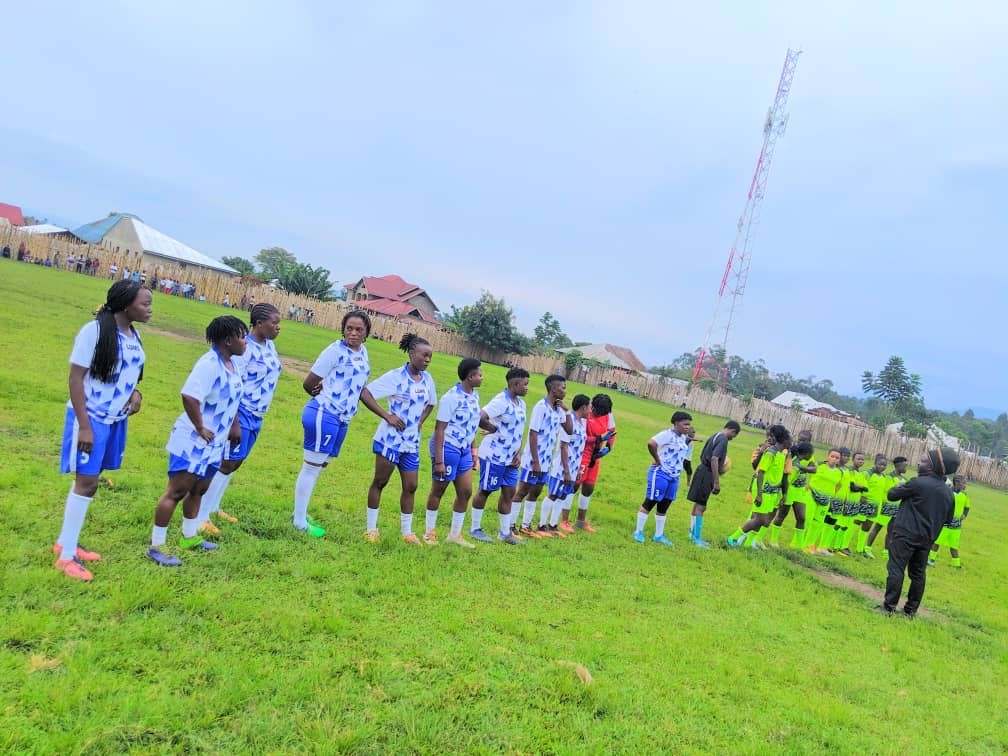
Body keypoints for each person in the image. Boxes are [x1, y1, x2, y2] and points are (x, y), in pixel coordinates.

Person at [54, 281, 152, 581]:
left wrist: (136, 394)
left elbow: (126, 374)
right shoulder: (94, 331)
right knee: (86, 483)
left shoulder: (133, 335)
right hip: (90, 418)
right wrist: (84, 426)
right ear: (125, 305)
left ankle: (66, 542)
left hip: (114, 419)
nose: (150, 310)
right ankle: (66, 557)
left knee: (91, 481)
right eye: (145, 304)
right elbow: (75, 379)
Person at [147, 316, 247, 566]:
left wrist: (234, 426)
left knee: (199, 489)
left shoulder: (232, 364)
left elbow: (233, 399)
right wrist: (200, 427)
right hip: (193, 441)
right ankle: (156, 546)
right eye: (242, 336)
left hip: (215, 442)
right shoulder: (209, 365)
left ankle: (189, 537)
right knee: (176, 491)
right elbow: (189, 396)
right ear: (228, 340)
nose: (246, 342)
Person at [196, 304, 283, 535]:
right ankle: (201, 516)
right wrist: (234, 422)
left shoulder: (270, 345)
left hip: (257, 413)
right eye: (274, 323)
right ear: (259, 323)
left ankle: (214, 507)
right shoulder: (245, 350)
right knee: (226, 462)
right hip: (241, 410)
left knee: (236, 462)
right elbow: (235, 385)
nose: (278, 327)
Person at [294, 310, 372, 537]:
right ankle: (299, 522)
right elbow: (309, 383)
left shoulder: (363, 352)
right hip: (324, 413)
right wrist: (323, 395)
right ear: (343, 330)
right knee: (311, 467)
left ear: (366, 333)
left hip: (342, 418)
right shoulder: (334, 351)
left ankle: (300, 512)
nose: (353, 333)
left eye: (359, 330)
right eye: (349, 328)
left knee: (321, 465)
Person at [359, 334, 437, 544]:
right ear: (411, 354)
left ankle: (407, 532)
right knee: (380, 482)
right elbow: (365, 393)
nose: (427, 360)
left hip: (411, 444)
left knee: (411, 486)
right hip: (390, 440)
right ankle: (371, 529)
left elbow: (431, 403)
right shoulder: (396, 377)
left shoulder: (427, 379)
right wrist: (387, 416)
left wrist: (420, 422)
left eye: (430, 357)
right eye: (424, 355)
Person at [876, 448, 958, 617]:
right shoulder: (949, 493)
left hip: (905, 533)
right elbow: (948, 520)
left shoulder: (917, 483)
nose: (919, 463)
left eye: (924, 460)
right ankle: (910, 610)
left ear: (934, 465)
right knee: (918, 574)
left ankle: (889, 606)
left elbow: (892, 495)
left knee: (896, 568)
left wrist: (898, 487)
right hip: (927, 539)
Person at [424, 358, 485, 547]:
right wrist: (439, 461)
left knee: (465, 492)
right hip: (447, 447)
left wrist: (473, 451)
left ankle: (455, 535)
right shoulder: (451, 398)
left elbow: (472, 425)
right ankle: (429, 533)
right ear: (470, 377)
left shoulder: (475, 396)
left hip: (464, 449)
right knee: (438, 490)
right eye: (480, 375)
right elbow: (439, 430)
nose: (482, 378)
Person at [469, 367, 530, 545]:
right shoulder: (501, 401)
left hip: (511, 458)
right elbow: (480, 416)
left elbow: (519, 430)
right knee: (486, 490)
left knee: (509, 492)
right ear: (515, 384)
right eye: (525, 384)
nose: (527, 388)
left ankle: (504, 533)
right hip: (494, 455)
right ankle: (475, 528)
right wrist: (492, 428)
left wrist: (518, 452)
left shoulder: (521, 404)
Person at [514, 374, 573, 538]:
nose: (565, 391)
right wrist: (535, 462)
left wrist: (567, 410)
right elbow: (533, 434)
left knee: (535, 493)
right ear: (553, 388)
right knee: (522, 491)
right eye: (563, 387)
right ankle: (510, 526)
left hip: (546, 460)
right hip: (534, 460)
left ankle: (525, 526)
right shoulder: (541, 407)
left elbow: (569, 430)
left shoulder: (558, 409)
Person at [633, 411, 694, 545]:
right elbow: (651, 443)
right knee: (650, 501)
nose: (688, 427)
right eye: (685, 424)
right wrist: (657, 459)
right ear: (676, 423)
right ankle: (638, 531)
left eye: (689, 425)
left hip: (674, 476)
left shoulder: (683, 438)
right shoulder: (667, 434)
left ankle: (659, 535)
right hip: (661, 473)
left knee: (664, 505)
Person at [727, 426, 792, 548]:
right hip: (763, 489)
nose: (792, 443)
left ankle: (747, 543)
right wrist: (759, 494)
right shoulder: (771, 453)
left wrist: (783, 494)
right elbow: (761, 472)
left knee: (762, 519)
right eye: (790, 440)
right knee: (760, 519)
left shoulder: (782, 454)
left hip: (772, 491)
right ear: (784, 440)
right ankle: (732, 538)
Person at [564, 393, 616, 533]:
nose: (601, 415)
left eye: (604, 413)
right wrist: (599, 438)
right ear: (593, 407)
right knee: (574, 486)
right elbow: (581, 437)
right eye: (598, 412)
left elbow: (612, 431)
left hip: (596, 455)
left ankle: (580, 521)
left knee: (588, 488)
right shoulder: (585, 414)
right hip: (583, 454)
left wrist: (608, 448)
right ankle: (564, 521)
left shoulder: (607, 414)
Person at [685, 420, 741, 547]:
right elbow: (714, 458)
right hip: (707, 473)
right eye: (734, 435)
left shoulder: (715, 435)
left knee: (698, 504)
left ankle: (692, 535)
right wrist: (716, 481)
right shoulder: (723, 439)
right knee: (701, 507)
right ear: (733, 431)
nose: (732, 438)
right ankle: (696, 538)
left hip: (702, 470)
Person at [542, 394, 590, 536]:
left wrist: (577, 469)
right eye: (589, 407)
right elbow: (563, 446)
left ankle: (553, 526)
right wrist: (567, 471)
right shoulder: (569, 422)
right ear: (583, 407)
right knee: (553, 494)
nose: (590, 411)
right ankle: (541, 525)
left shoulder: (582, 422)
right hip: (562, 468)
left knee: (563, 496)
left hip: (573, 468)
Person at [768, 440, 815, 548]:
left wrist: (802, 468)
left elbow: (814, 469)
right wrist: (784, 494)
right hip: (790, 490)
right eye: (811, 454)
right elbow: (787, 480)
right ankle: (773, 540)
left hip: (800, 492)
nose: (812, 456)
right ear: (807, 453)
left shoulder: (800, 462)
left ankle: (798, 545)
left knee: (802, 518)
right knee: (782, 515)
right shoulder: (793, 462)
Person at [866, 456, 909, 556]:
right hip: (887, 506)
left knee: (891, 530)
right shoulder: (889, 477)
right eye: (904, 466)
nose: (906, 468)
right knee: (877, 527)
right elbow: (887, 490)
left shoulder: (905, 479)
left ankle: (886, 551)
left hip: (897, 508)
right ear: (898, 466)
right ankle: (868, 548)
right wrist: (896, 486)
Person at [804, 448, 844, 554]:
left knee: (818, 523)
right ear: (828, 456)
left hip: (825, 499)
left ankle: (809, 544)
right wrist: (808, 486)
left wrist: (831, 495)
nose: (834, 459)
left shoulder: (839, 472)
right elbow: (808, 475)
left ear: (839, 460)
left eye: (837, 458)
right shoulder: (819, 465)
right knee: (807, 519)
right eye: (832, 456)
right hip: (812, 495)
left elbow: (838, 485)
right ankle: (799, 543)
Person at [930, 475, 970, 568]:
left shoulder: (964, 495)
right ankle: (930, 560)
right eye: (963, 483)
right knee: (937, 542)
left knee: (954, 546)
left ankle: (956, 565)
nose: (965, 485)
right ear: (957, 482)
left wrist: (965, 514)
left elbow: (967, 507)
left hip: (957, 527)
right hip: (945, 524)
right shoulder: (948, 493)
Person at [856, 454, 890, 558]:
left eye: (884, 465)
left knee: (867, 527)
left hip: (875, 506)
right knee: (856, 523)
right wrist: (862, 499)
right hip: (865, 503)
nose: (882, 467)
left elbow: (883, 492)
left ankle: (860, 549)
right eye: (880, 464)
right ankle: (842, 545)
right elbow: (860, 487)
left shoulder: (884, 477)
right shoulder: (867, 474)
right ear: (875, 463)